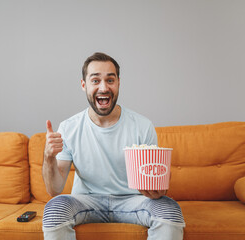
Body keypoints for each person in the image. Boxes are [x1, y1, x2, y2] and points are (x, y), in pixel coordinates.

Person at [42, 52, 185, 240]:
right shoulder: (69, 127)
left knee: (170, 210)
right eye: (95, 81)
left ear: (118, 83)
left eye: (110, 80)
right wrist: (48, 157)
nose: (104, 87)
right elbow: (54, 190)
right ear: (84, 85)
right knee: (54, 208)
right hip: (86, 200)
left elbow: (154, 177)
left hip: (133, 201)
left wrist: (158, 188)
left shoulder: (142, 126)